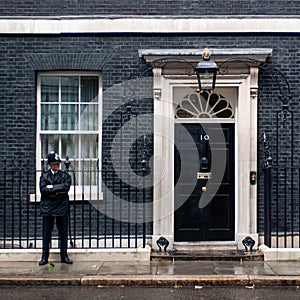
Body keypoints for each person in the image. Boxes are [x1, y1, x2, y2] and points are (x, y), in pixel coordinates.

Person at [39, 151, 73, 265]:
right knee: (46, 233)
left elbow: (66, 187)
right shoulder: (44, 176)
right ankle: (45, 257)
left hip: (61, 207)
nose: (57, 166)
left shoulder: (64, 175)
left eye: (58, 164)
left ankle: (64, 255)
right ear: (50, 165)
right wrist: (58, 190)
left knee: (63, 233)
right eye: (55, 164)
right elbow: (43, 190)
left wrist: (52, 187)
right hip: (47, 208)